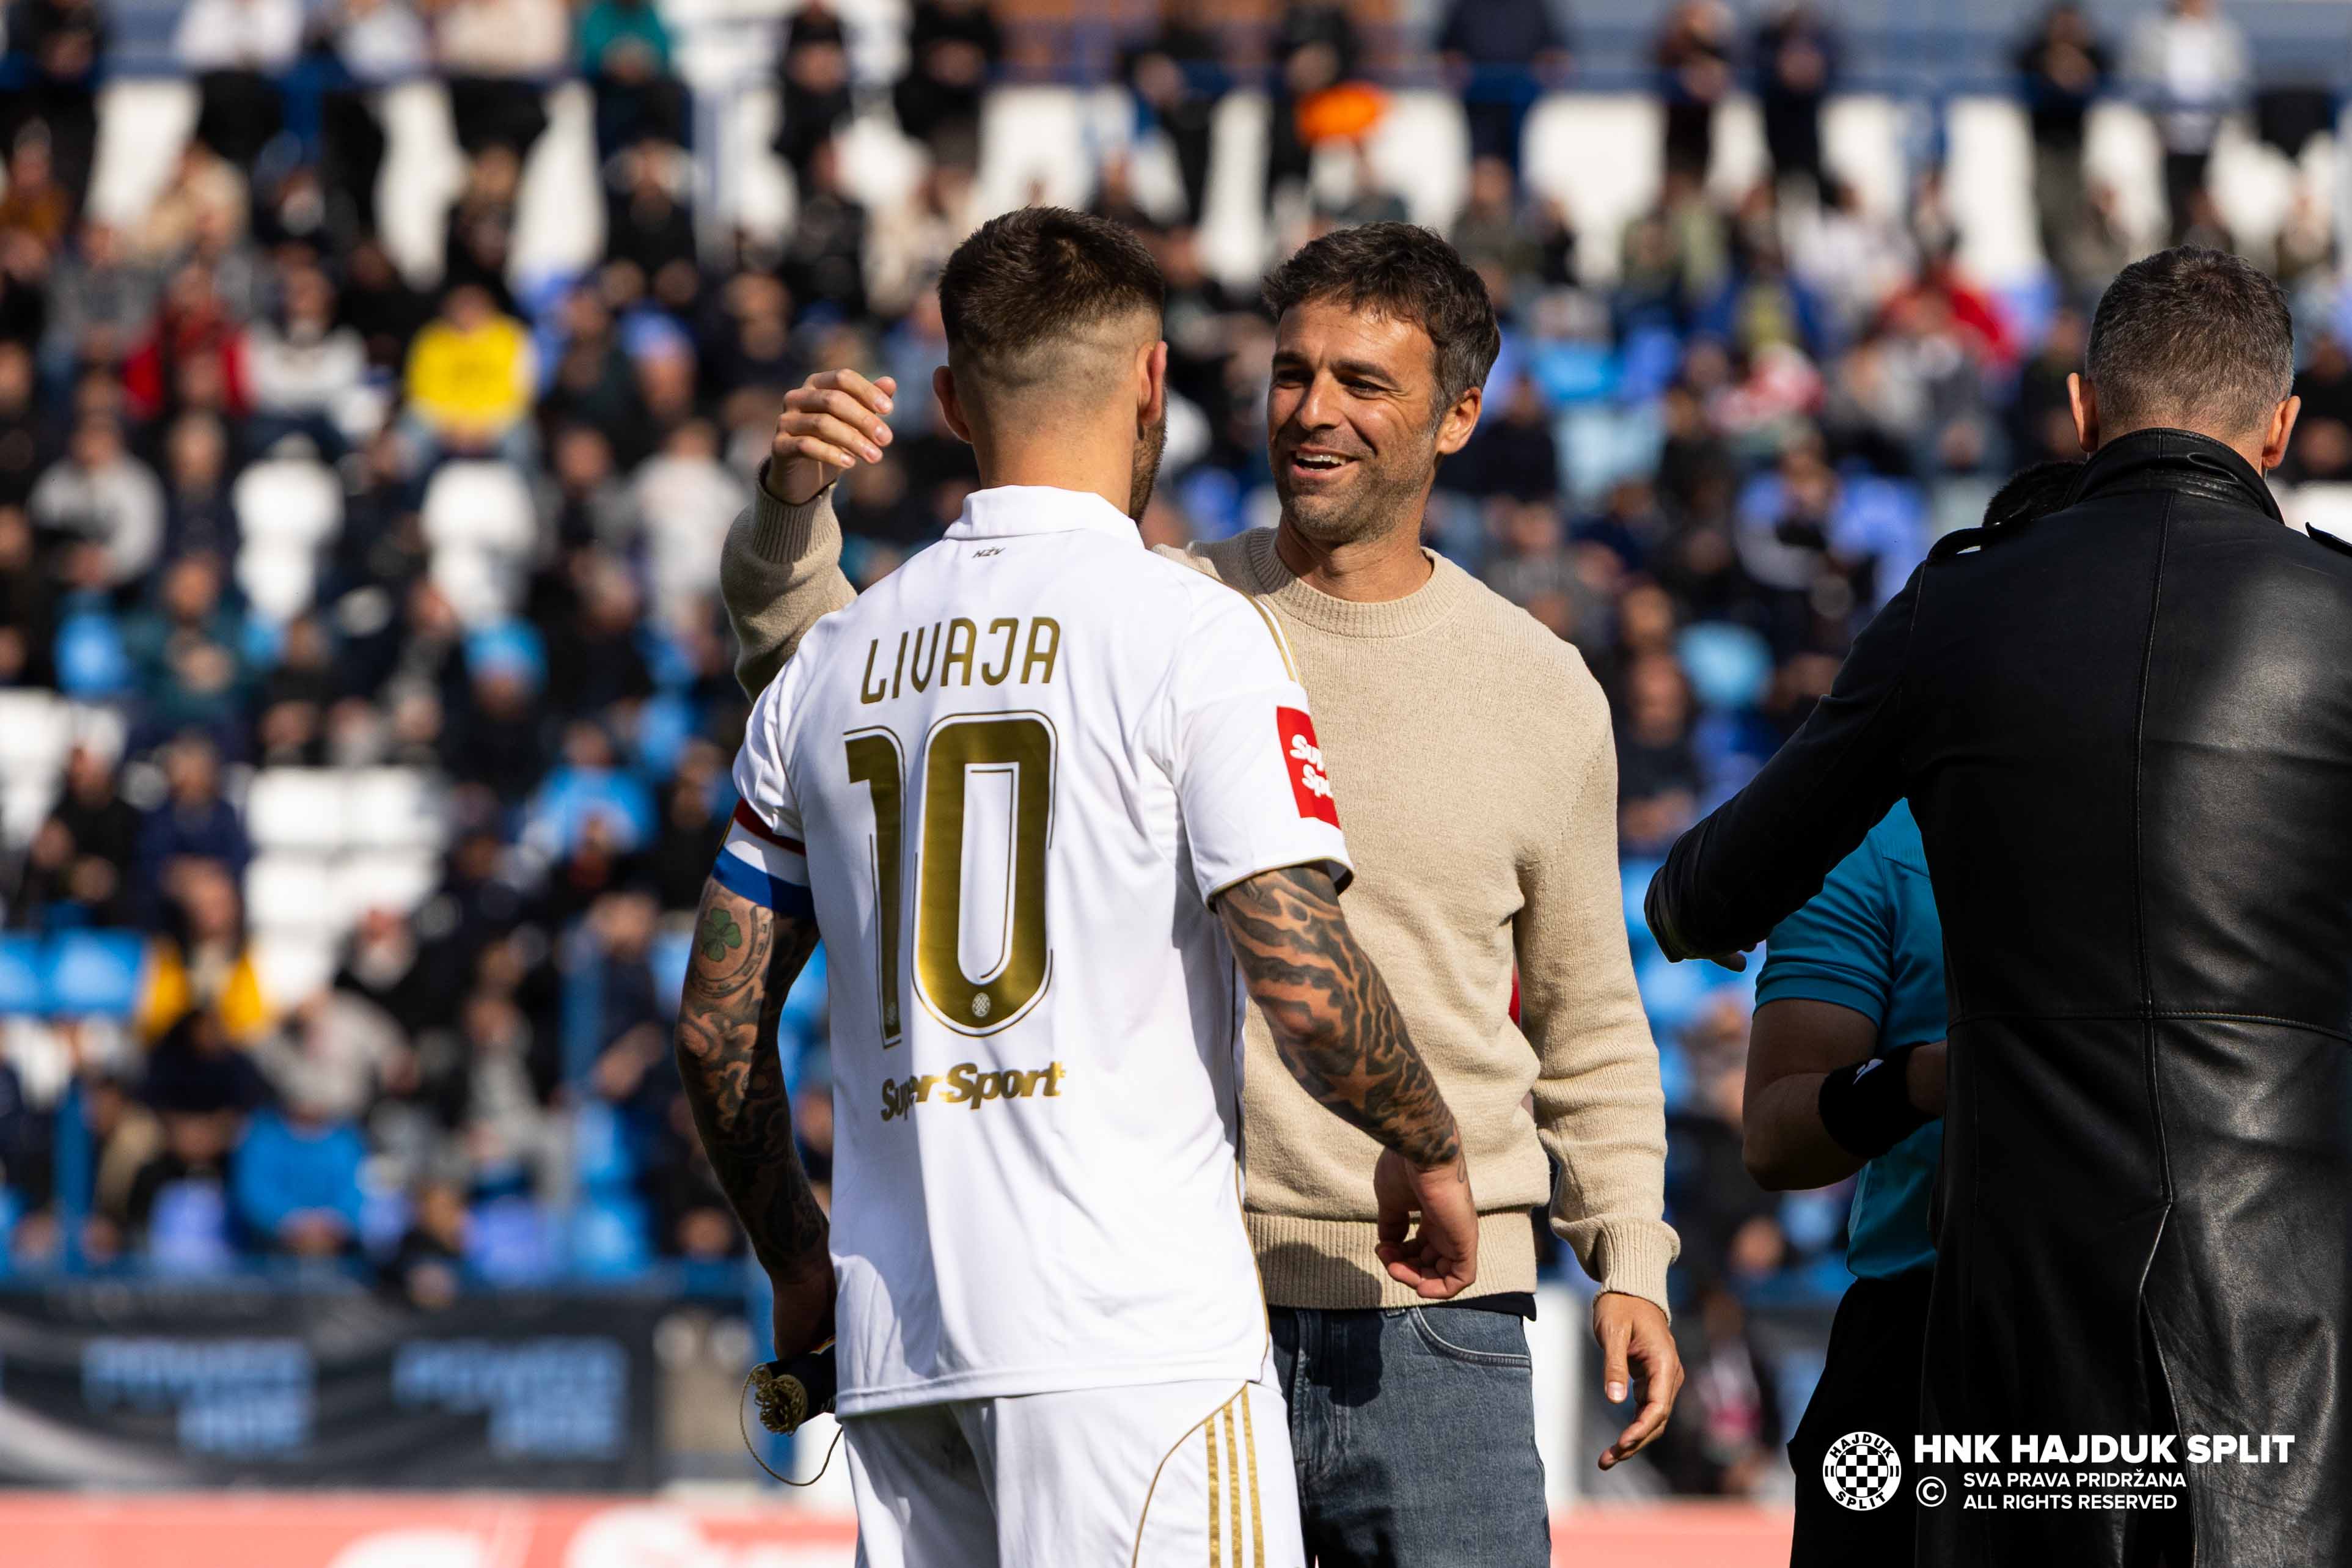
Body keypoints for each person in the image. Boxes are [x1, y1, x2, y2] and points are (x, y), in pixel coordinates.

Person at [723, 221, 1684, 1564]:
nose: (1313, 410)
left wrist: (1628, 1254)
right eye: (1292, 373)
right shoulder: (1159, 610)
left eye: (1363, 382)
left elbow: (1588, 1016)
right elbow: (840, 673)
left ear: (1458, 417)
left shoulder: (1541, 688)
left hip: (1437, 1320)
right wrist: (788, 505)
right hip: (1182, 1312)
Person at [1646, 246, 2350, 1564]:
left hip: (2019, 1346)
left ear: (2080, 412)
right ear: (2279, 427)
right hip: (2293, 1339)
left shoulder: (1958, 608)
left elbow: (1697, 901)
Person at [1747, 801, 1946, 1566]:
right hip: (1923, 1333)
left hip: (2205, 1314)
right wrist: (1925, 1079)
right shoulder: (1879, 843)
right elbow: (1774, 1138)